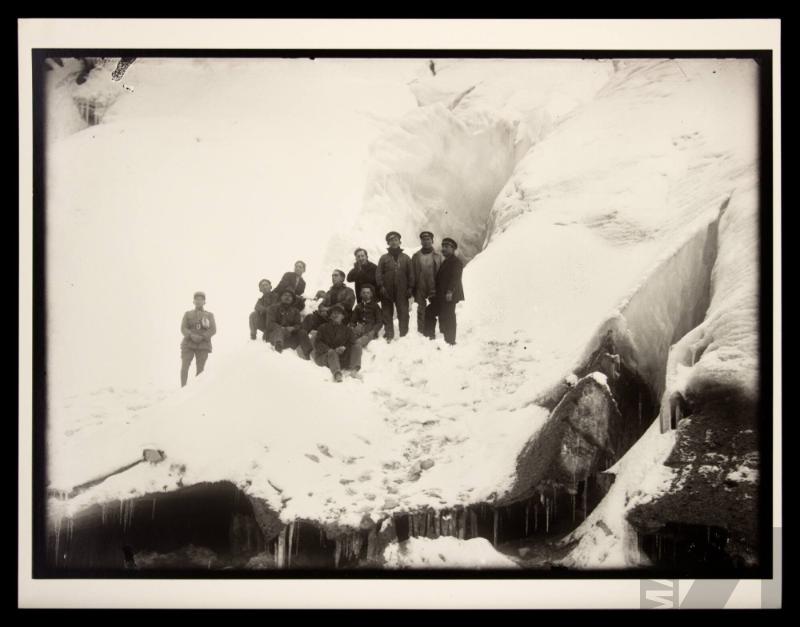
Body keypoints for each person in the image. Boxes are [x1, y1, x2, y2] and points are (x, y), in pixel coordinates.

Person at [375, 231, 414, 341]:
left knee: (404, 312)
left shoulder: (406, 258)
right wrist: (381, 286)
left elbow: (411, 273)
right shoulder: (383, 258)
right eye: (391, 240)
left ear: (400, 242)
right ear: (388, 243)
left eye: (395, 240)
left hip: (402, 290)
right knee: (387, 313)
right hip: (386, 291)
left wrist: (410, 287)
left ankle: (404, 335)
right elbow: (378, 273)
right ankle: (389, 334)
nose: (393, 242)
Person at [424, 237, 464, 345]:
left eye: (447, 247)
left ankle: (450, 341)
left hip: (449, 295)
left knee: (449, 316)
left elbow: (455, 278)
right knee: (429, 311)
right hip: (441, 296)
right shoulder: (446, 261)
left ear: (453, 249)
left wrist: (450, 291)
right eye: (443, 247)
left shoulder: (456, 262)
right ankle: (430, 337)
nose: (444, 249)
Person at [311, 304, 362, 382]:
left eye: (339, 313)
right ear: (330, 316)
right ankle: (337, 374)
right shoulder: (323, 327)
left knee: (357, 346)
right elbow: (318, 343)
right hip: (325, 357)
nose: (336, 315)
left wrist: (344, 348)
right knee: (332, 352)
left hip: (341, 358)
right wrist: (329, 350)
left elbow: (351, 343)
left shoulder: (347, 330)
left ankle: (354, 370)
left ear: (343, 316)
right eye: (333, 313)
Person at [180, 291, 217, 387]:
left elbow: (213, 329)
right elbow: (183, 328)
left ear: (204, 302)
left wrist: (203, 337)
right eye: (196, 299)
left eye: (201, 299)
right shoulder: (187, 314)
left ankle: (196, 392)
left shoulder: (209, 315)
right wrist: (191, 335)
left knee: (200, 371)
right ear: (193, 301)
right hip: (188, 343)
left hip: (203, 344)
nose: (198, 301)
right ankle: (183, 388)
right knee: (184, 367)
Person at [411, 231, 443, 334]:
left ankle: (431, 331)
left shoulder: (438, 256)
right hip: (420, 286)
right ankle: (421, 331)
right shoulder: (416, 256)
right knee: (421, 309)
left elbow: (442, 272)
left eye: (428, 239)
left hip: (434, 286)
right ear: (421, 242)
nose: (426, 242)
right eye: (424, 240)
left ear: (432, 241)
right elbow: (412, 272)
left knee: (434, 309)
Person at [265, 288, 313, 357]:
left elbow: (298, 325)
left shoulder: (295, 311)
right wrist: (281, 328)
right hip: (273, 337)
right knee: (279, 330)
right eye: (285, 295)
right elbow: (270, 323)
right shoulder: (272, 308)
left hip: (288, 339)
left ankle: (308, 354)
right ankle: (278, 351)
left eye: (290, 296)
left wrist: (293, 328)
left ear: (292, 299)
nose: (287, 297)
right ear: (281, 297)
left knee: (302, 332)